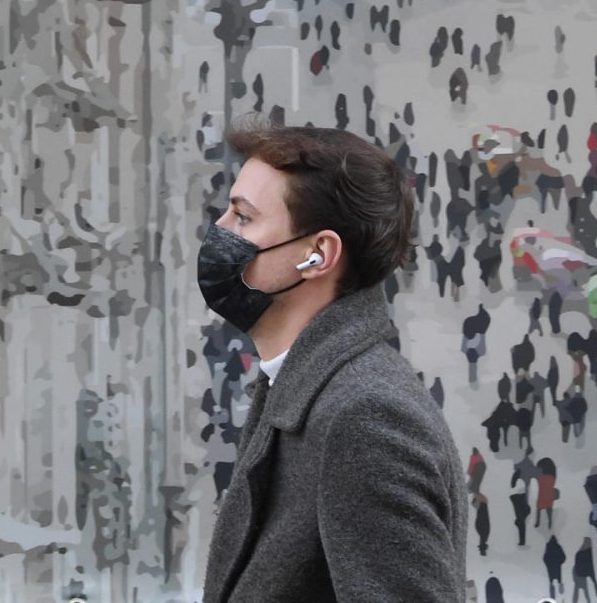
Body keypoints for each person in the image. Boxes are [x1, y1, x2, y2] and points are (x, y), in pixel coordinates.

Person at [198, 122, 468, 603]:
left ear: (317, 255)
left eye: (242, 217)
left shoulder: (365, 417)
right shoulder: (307, 384)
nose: (218, 230)